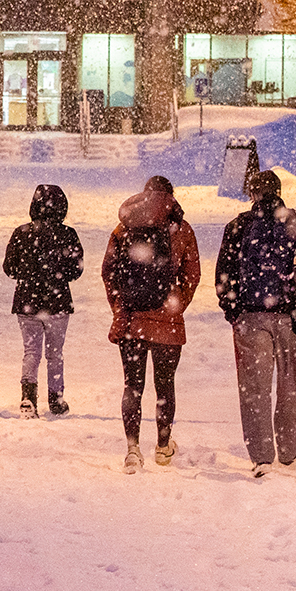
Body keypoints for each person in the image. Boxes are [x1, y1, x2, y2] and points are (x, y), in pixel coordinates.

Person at [215, 169, 296, 477]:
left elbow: (223, 274)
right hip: (290, 318)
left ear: (252, 194)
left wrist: (234, 310)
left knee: (254, 389)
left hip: (251, 316)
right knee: (289, 383)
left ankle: (261, 458)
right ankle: (288, 450)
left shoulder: (239, 226)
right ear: (280, 191)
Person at [103, 174, 201, 473]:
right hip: (167, 325)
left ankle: (132, 449)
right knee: (164, 385)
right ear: (170, 198)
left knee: (132, 386)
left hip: (133, 322)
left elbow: (109, 273)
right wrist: (175, 304)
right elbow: (192, 274)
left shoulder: (124, 229)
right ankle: (162, 446)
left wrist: (121, 306)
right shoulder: (182, 230)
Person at [2, 182, 84, 417]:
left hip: (27, 300)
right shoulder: (68, 234)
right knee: (55, 353)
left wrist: (27, 274)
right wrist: (57, 275)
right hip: (57, 302)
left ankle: (28, 398)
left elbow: (9, 267)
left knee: (31, 352)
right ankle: (56, 399)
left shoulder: (21, 233)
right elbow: (76, 270)